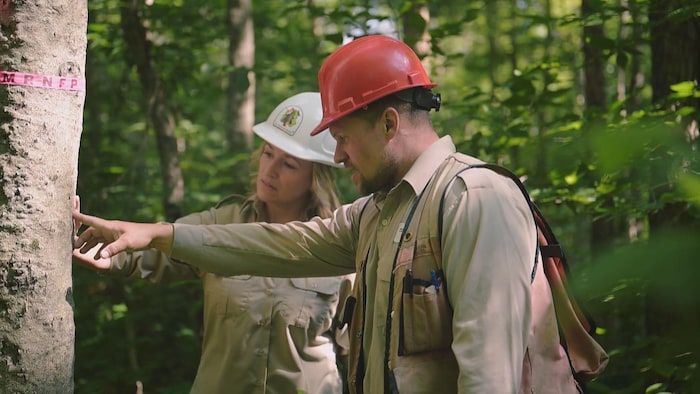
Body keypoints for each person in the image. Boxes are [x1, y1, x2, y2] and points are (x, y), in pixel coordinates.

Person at [74, 35, 582, 393]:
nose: (337, 158)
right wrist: (152, 234)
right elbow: (270, 244)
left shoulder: (474, 198)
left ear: (387, 123)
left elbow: (488, 376)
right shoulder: (376, 214)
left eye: (342, 139)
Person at [73, 92, 354, 394]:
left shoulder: (337, 244)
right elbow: (153, 247)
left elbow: (357, 353)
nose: (269, 170)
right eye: (268, 153)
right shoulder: (222, 223)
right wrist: (94, 246)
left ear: (316, 178)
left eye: (289, 164)